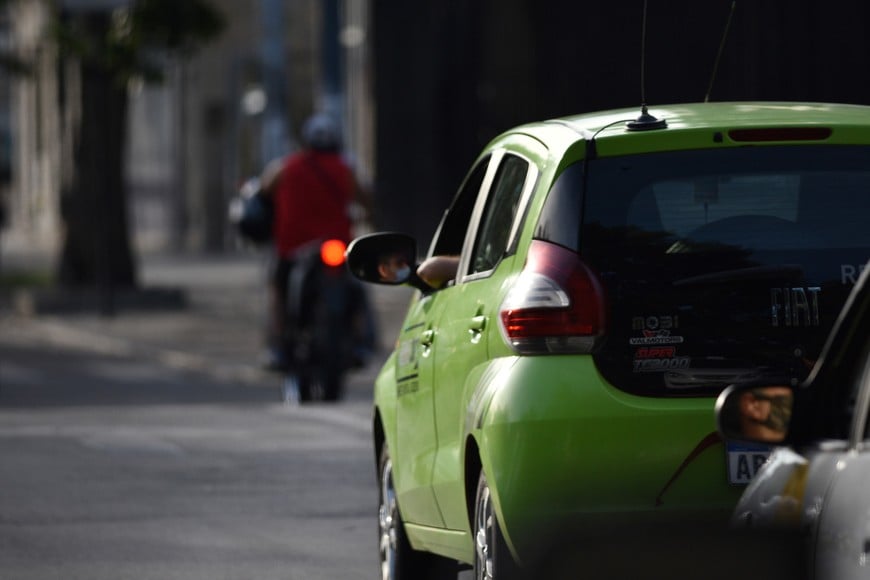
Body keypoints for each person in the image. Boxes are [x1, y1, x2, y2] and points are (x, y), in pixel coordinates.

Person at [261, 113, 370, 369]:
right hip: (338, 246)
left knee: (278, 288)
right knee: (357, 287)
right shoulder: (346, 169)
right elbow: (367, 200)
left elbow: (264, 194)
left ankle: (277, 342)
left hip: (292, 247)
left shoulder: (285, 167)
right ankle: (360, 340)